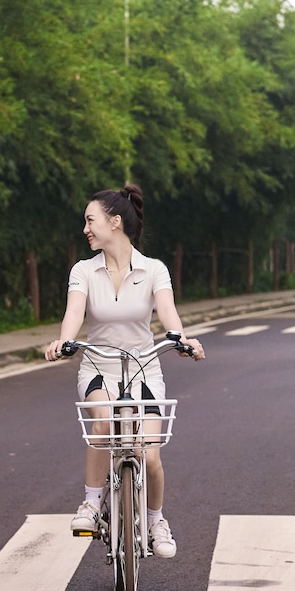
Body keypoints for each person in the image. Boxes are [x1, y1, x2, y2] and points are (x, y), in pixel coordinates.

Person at [44, 183, 204, 558]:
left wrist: (183, 340)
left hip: (144, 370)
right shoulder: (83, 271)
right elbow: (74, 313)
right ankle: (91, 503)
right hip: (98, 367)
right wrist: (64, 341)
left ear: (114, 222)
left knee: (149, 455)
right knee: (103, 424)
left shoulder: (153, 270)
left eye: (90, 221)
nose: (85, 229)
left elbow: (168, 312)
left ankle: (156, 520)